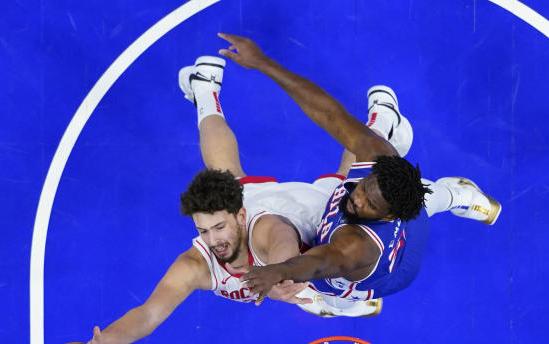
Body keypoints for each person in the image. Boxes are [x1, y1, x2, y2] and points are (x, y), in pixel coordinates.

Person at [209, 34, 501, 311]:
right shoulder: (379, 161)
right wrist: (263, 62)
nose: (357, 199)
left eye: (369, 204)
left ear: (388, 216)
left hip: (388, 272)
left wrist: (278, 270)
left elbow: (321, 262)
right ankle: (388, 120)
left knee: (426, 206)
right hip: (374, 225)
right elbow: (329, 113)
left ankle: (461, 195)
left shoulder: (355, 246)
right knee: (400, 174)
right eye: (364, 188)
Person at [89, 57, 342, 344]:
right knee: (225, 175)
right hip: (255, 203)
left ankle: (380, 123)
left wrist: (278, 275)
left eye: (219, 227)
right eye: (204, 230)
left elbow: (281, 239)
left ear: (240, 215)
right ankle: (205, 88)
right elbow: (148, 315)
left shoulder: (262, 229)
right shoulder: (197, 265)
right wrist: (104, 342)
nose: (214, 240)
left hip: (305, 210)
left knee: (349, 182)